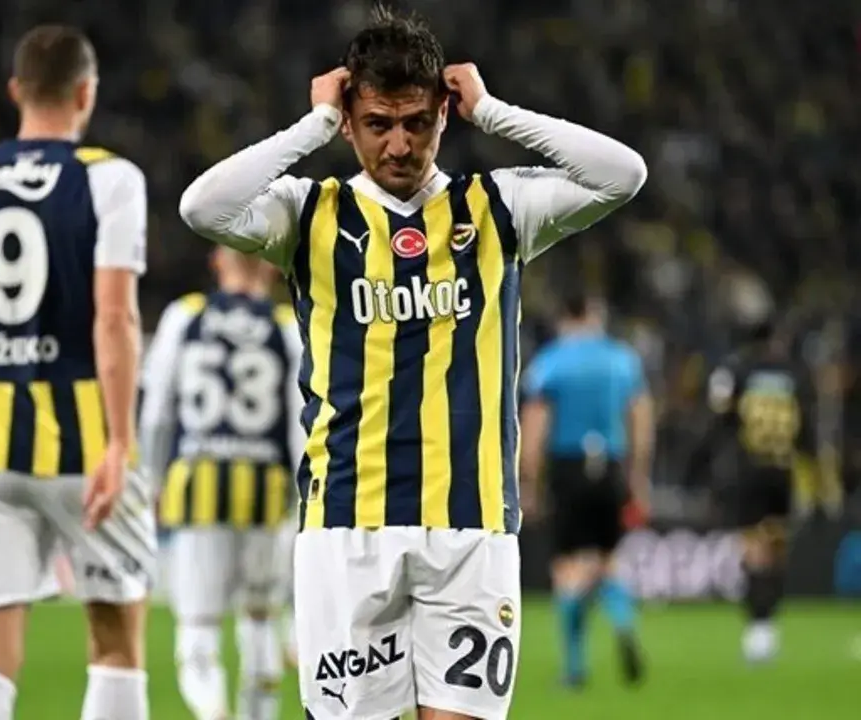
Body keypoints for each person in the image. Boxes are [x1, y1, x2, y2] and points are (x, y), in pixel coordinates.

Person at [177, 7, 647, 719]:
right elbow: (201, 208)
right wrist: (311, 126)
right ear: (349, 122)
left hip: (471, 529)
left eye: (417, 123)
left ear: (443, 116)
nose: (399, 144)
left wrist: (494, 112)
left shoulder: (498, 208)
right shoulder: (308, 215)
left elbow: (624, 175)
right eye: (377, 123)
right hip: (346, 527)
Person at [0, 25, 153, 720]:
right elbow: (115, 318)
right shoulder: (110, 178)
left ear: (16, 91)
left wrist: (5, 376)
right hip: (88, 453)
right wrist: (119, 441)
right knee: (115, 644)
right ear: (86, 93)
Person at [140, 247, 303, 720]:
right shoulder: (287, 327)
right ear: (271, 266)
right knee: (261, 620)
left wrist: (151, 479)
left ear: (215, 260)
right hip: (266, 491)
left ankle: (214, 713)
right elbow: (301, 422)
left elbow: (156, 412)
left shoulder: (185, 316)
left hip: (198, 488)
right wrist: (304, 498)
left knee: (198, 625)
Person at [518, 292, 653, 689]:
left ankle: (575, 667)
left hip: (568, 466)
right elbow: (641, 420)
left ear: (564, 317)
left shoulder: (550, 362)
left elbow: (534, 426)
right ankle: (623, 621)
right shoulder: (623, 360)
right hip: (610, 465)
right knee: (609, 561)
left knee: (568, 569)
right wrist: (638, 476)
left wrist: (529, 482)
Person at [690, 321, 820, 664]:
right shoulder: (795, 373)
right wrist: (816, 474)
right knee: (776, 550)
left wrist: (697, 467)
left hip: (748, 472)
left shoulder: (737, 370)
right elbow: (808, 430)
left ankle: (758, 628)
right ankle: (767, 625)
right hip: (782, 470)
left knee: (753, 551)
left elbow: (718, 422)